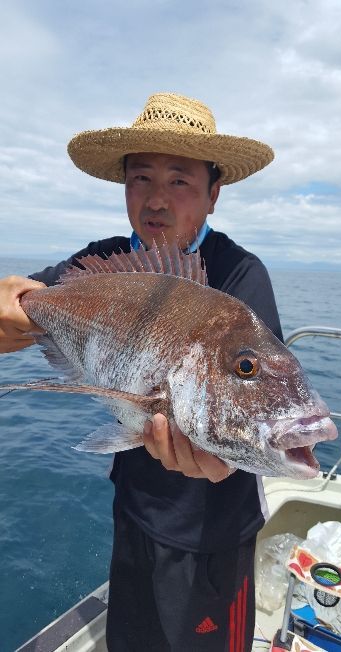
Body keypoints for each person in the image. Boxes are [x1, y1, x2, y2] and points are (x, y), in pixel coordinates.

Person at [0, 93, 283, 651]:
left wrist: (223, 461)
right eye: (140, 178)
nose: (157, 198)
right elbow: (22, 301)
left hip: (212, 535)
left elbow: (254, 398)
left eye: (180, 180)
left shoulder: (239, 275)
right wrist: (10, 308)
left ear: (213, 195)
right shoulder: (98, 264)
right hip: (132, 509)